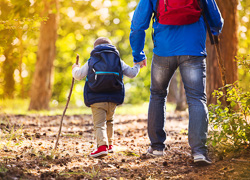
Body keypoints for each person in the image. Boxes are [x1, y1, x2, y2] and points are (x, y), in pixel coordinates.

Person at [130, 0, 223, 165]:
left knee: (157, 94)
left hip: (163, 51)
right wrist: (214, 31)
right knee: (196, 98)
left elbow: (138, 24)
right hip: (193, 49)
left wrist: (138, 54)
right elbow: (216, 21)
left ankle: (157, 147)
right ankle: (199, 152)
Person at [72, 37, 140, 158]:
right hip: (113, 97)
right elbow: (132, 73)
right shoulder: (117, 59)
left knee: (99, 124)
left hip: (96, 97)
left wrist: (74, 68)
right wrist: (137, 65)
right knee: (109, 121)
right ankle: (109, 145)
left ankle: (102, 147)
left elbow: (78, 75)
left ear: (95, 48)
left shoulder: (92, 60)